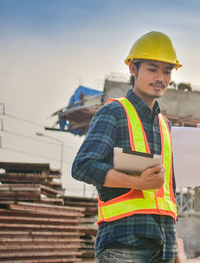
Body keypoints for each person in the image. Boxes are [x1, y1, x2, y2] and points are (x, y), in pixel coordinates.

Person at [72, 31, 182, 263]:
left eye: (167, 71)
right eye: (153, 69)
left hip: (165, 245)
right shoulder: (114, 112)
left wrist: (176, 245)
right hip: (124, 243)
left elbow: (169, 193)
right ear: (133, 69)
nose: (160, 77)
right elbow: (83, 166)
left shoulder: (166, 126)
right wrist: (137, 182)